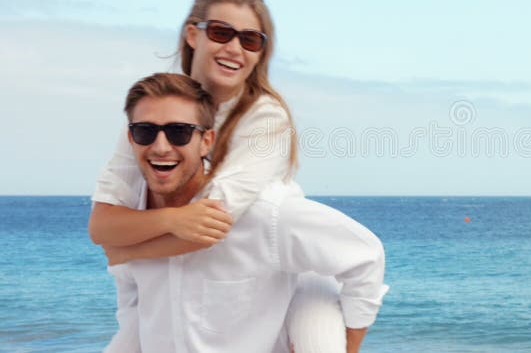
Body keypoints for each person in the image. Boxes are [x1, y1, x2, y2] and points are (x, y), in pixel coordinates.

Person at [88, 0, 363, 351]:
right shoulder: (157, 114)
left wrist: (130, 249)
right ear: (192, 35)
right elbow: (103, 225)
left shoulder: (266, 119)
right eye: (221, 32)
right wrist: (169, 221)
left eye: (250, 40)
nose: (234, 48)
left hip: (288, 273)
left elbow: (209, 223)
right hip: (201, 274)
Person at [104, 73, 386, 353]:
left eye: (180, 132)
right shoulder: (130, 222)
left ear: (206, 141)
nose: (161, 147)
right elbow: (133, 306)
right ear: (131, 139)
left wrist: (349, 347)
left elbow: (365, 255)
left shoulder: (264, 215)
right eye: (145, 131)